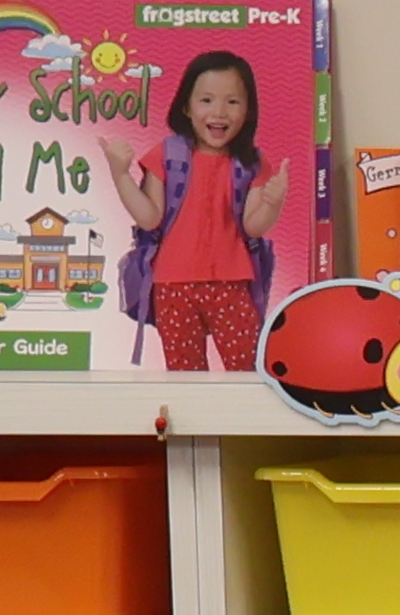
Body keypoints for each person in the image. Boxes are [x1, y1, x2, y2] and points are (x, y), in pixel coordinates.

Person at [113, 47, 284, 373]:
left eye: (233, 101)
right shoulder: (165, 154)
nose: (219, 111)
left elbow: (253, 227)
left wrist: (273, 203)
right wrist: (119, 174)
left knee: (248, 370)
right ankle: (194, 427)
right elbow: (149, 217)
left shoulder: (251, 163)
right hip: (173, 285)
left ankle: (242, 426)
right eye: (206, 100)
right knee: (184, 376)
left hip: (233, 284)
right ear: (186, 107)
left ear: (248, 110)